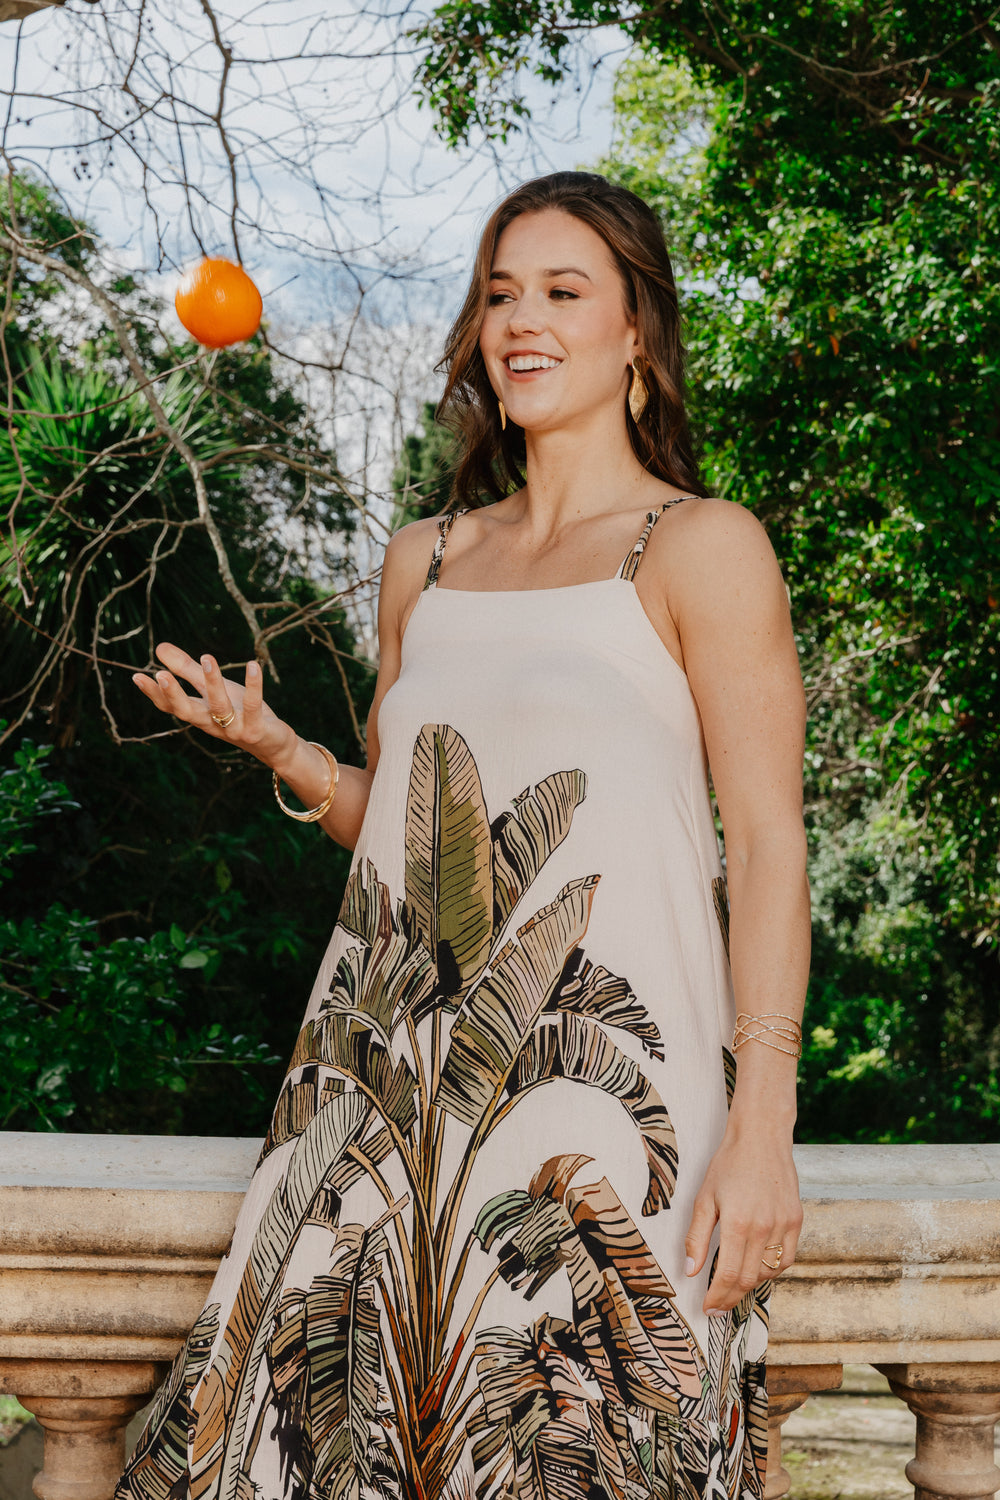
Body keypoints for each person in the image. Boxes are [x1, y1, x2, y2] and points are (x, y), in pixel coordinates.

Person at [118, 170, 808, 1500]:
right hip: (383, 1111)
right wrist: (283, 752)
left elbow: (772, 847)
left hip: (605, 1112)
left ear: (637, 332)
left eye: (562, 291)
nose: (521, 321)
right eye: (500, 294)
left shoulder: (701, 547)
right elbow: (416, 841)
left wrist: (764, 1123)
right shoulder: (423, 560)